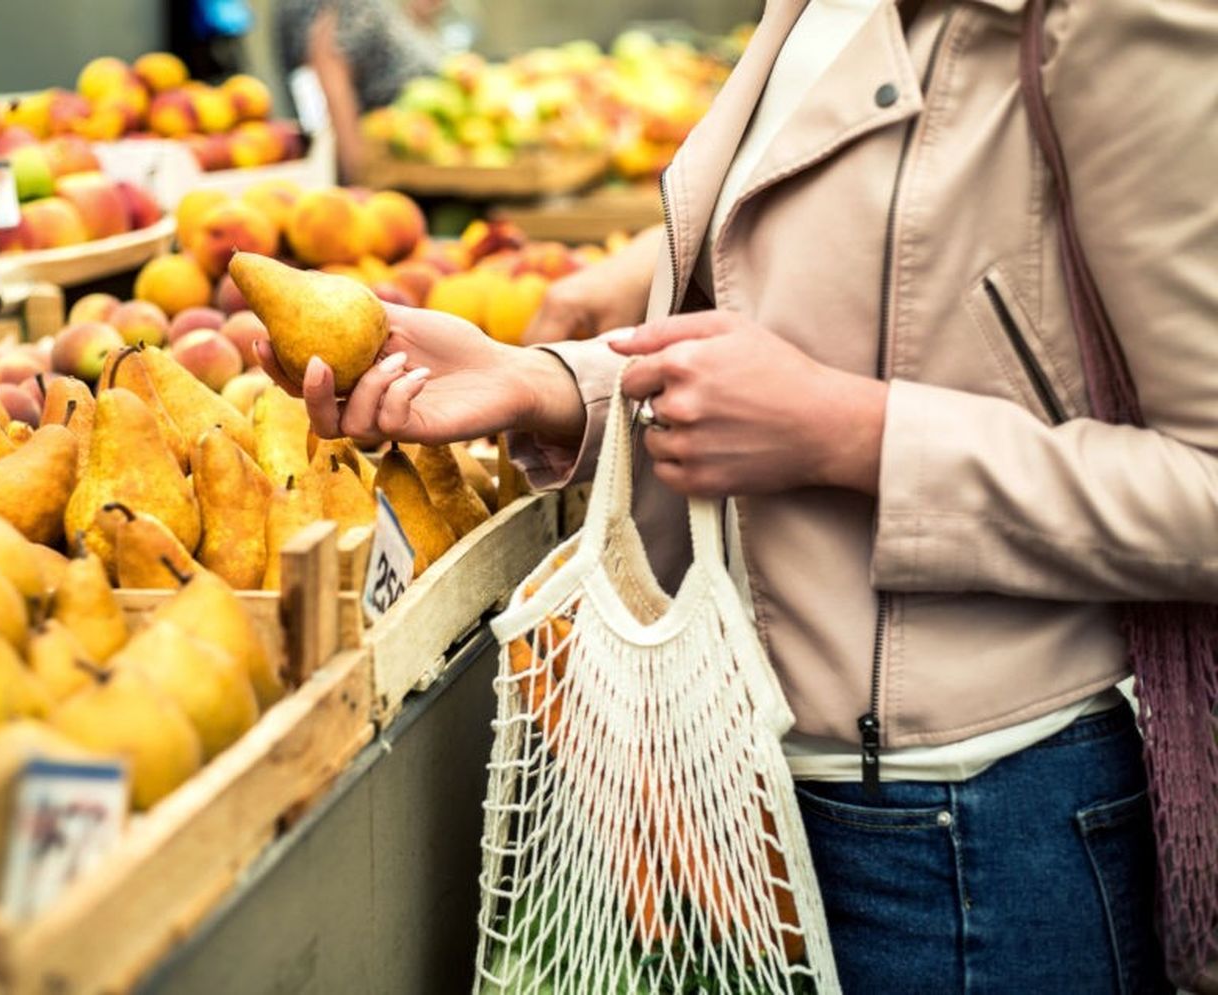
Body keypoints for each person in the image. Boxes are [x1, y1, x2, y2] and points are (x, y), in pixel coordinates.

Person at [256, 0, 1215, 989]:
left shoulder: (1107, 17)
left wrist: (852, 431)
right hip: (738, 805)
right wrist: (548, 383)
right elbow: (774, 341)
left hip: (966, 844)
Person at [276, 0, 446, 182]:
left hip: (427, 159)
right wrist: (359, 180)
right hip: (391, 166)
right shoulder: (341, 8)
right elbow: (331, 76)